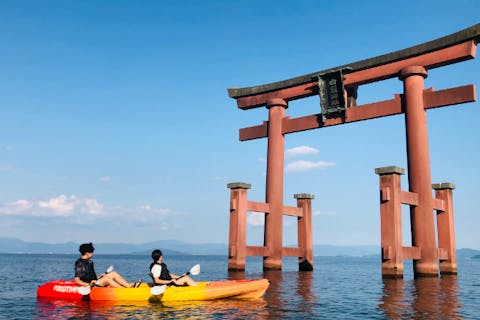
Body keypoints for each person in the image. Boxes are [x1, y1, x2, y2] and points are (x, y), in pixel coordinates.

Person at [74, 242, 142, 288]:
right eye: (91, 252)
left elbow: (90, 276)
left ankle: (129, 286)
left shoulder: (89, 262)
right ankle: (123, 290)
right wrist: (88, 284)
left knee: (113, 273)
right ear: (87, 253)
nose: (92, 254)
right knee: (107, 279)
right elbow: (77, 280)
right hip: (92, 284)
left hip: (95, 281)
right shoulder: (80, 263)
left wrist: (99, 276)